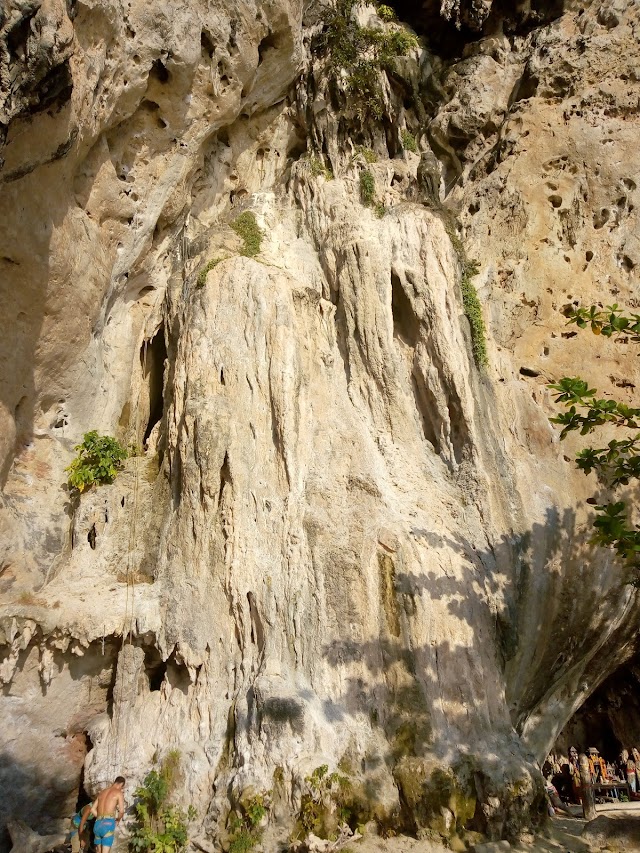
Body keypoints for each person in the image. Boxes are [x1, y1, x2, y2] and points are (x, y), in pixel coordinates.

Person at [80, 777, 125, 853]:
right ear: (121, 784)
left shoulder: (102, 792)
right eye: (122, 787)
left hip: (98, 824)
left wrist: (100, 817)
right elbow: (121, 811)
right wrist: (118, 820)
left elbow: (92, 809)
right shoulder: (118, 793)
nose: (121, 789)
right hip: (108, 824)